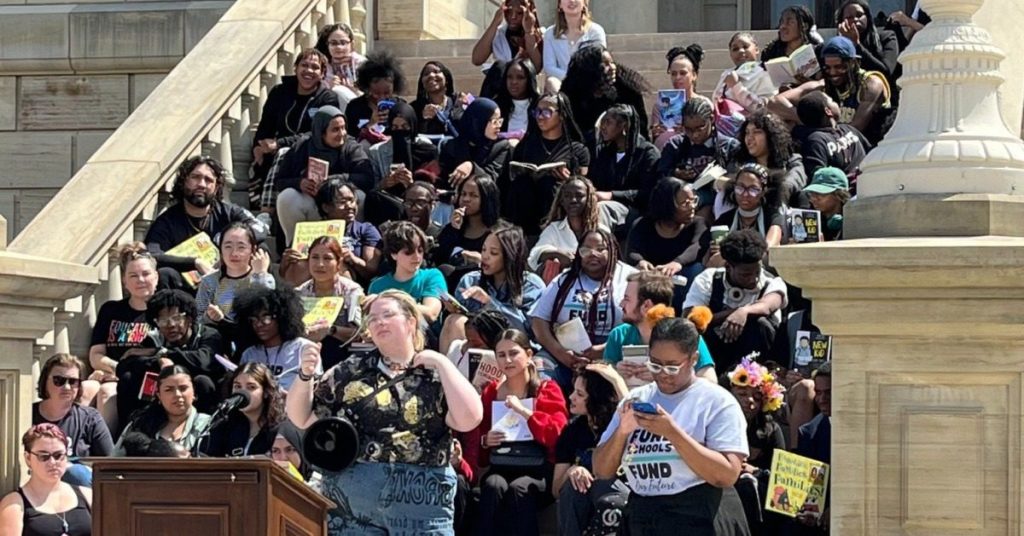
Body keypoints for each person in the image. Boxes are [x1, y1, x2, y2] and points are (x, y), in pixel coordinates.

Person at [287, 290, 484, 534]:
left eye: (387, 315)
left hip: (421, 505)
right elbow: (302, 418)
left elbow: (469, 419)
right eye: (372, 318)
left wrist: (443, 363)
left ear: (411, 321)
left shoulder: (436, 371)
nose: (379, 322)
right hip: (355, 504)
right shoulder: (349, 371)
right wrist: (305, 374)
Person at [593, 317, 750, 535]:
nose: (663, 374)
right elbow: (601, 470)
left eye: (673, 367)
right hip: (645, 513)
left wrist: (673, 433)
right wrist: (622, 433)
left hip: (699, 513)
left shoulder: (716, 401)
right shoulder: (638, 398)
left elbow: (726, 474)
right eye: (655, 364)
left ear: (693, 359)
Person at [463, 329, 569, 536]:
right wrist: (486, 440)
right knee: (493, 486)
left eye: (514, 353)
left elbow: (558, 436)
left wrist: (525, 413)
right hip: (502, 464)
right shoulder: (492, 392)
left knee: (520, 488)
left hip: (538, 468)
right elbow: (480, 448)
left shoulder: (547, 389)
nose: (507, 360)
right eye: (501, 355)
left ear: (529, 355)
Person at [529, 228, 636, 391]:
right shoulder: (564, 279)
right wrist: (561, 354)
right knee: (537, 371)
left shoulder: (630, 278)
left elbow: (642, 322)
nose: (592, 254)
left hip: (613, 353)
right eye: (586, 249)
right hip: (565, 352)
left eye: (600, 249)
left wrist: (605, 350)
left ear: (613, 249)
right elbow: (538, 320)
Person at [144, 155, 267, 290]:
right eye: (195, 177)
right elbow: (152, 254)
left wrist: (227, 247)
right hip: (188, 289)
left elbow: (260, 229)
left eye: (208, 180)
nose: (201, 184)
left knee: (261, 249)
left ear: (216, 187)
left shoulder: (229, 212)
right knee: (165, 274)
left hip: (230, 280)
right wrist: (195, 262)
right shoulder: (167, 221)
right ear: (184, 181)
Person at [683, 229, 788, 373]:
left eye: (757, 272)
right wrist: (730, 317)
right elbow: (690, 320)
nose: (754, 279)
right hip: (717, 357)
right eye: (745, 275)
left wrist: (743, 312)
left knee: (760, 323)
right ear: (728, 267)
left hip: (759, 362)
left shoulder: (773, 283)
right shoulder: (708, 280)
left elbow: (767, 306)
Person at [273, 106, 374, 245]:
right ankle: (294, 246)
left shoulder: (351, 147)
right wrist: (300, 183)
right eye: (335, 130)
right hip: (312, 204)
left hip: (339, 206)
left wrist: (335, 180)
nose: (341, 133)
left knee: (360, 196)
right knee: (287, 196)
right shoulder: (302, 146)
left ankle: (352, 243)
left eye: (343, 128)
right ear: (321, 132)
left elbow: (367, 178)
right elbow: (280, 182)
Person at [252, 48, 341, 205]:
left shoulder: (327, 98)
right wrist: (258, 146)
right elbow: (265, 125)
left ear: (322, 74)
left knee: (283, 153)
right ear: (296, 68)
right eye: (304, 65)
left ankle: (266, 210)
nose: (308, 70)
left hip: (311, 149)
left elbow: (316, 132)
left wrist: (279, 143)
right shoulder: (280, 92)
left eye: (315, 67)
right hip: (276, 148)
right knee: (259, 161)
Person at [770, 36, 892, 146]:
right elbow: (773, 102)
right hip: (833, 146)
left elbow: (855, 129)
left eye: (840, 67)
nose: (833, 73)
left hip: (869, 147)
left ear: (854, 63)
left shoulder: (871, 84)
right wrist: (803, 118)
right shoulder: (823, 85)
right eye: (827, 68)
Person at [440, 224, 545, 351]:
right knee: (454, 320)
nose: (485, 256)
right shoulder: (470, 280)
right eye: (483, 250)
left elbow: (528, 332)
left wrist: (490, 303)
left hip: (512, 348)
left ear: (510, 256)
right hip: (475, 344)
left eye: (493, 253)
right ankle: (448, 369)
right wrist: (454, 309)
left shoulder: (532, 285)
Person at [89, 244, 159, 434]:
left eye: (146, 274)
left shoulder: (163, 312)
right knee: (87, 388)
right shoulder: (111, 310)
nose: (141, 280)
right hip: (112, 374)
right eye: (133, 276)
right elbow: (96, 354)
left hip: (146, 379)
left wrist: (123, 372)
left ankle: (108, 453)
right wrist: (116, 369)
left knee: (107, 393)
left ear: (156, 276)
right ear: (124, 281)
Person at [554, 364, 630, 536]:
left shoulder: (618, 424)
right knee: (573, 489)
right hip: (580, 499)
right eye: (573, 391)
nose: (571, 397)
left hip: (615, 494)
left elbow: (632, 411)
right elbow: (555, 489)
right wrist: (572, 470)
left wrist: (617, 381)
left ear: (597, 398)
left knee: (605, 490)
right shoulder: (571, 431)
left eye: (580, 394)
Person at [604, 272, 716, 383]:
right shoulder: (619, 335)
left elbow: (710, 382)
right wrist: (615, 371)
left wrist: (663, 376)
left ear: (646, 305)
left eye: (627, 299)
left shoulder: (686, 335)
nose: (621, 304)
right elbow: (601, 380)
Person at [506, 93, 590, 235]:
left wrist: (568, 180)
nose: (540, 116)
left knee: (550, 184)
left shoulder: (577, 150)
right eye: (537, 111)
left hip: (556, 208)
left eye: (547, 112)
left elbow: (587, 185)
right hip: (525, 207)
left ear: (562, 115)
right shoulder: (526, 145)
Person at [726, 358, 787, 535]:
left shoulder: (771, 430)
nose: (750, 401)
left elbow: (782, 477)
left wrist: (756, 472)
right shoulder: (716, 427)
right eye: (742, 394)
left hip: (762, 498)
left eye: (757, 396)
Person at [33, 354, 113, 487]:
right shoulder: (26, 415)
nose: (67, 387)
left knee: (77, 473)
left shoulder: (90, 418)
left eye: (73, 381)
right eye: (59, 380)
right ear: (45, 381)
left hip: (78, 492)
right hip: (36, 486)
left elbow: (109, 463)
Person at [0, 424, 92, 536]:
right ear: (28, 458)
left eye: (58, 455)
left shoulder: (87, 495)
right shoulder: (14, 504)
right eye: (43, 456)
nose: (52, 462)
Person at [657, 95, 741, 217]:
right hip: (681, 202)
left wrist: (717, 181)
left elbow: (737, 182)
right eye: (688, 130)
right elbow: (660, 178)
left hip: (719, 203)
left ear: (711, 119)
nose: (695, 135)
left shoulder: (729, 146)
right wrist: (675, 174)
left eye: (699, 128)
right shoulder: (675, 145)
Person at [145, 289, 226, 414]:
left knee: (202, 381)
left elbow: (205, 361)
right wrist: (158, 360)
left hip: (202, 397)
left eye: (176, 318)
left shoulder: (208, 335)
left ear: (189, 319)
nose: (170, 325)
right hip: (165, 395)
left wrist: (165, 354)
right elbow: (128, 363)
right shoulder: (154, 338)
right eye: (163, 320)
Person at [364, 101, 440, 227]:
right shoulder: (377, 151)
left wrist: (412, 185)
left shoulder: (426, 148)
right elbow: (372, 187)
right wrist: (385, 183)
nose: (399, 132)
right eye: (395, 127)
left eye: (405, 127)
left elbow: (432, 185)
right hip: (390, 200)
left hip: (419, 201)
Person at [294, 236, 365, 370]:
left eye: (327, 258)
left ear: (339, 263)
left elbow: (358, 334)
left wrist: (330, 330)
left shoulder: (352, 291)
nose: (320, 264)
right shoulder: (299, 293)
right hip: (305, 353)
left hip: (342, 356)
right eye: (315, 257)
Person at [561, 45, 650, 147]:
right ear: (590, 70)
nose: (612, 68)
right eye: (605, 64)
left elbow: (641, 129)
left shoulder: (627, 91)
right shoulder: (572, 96)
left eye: (612, 63)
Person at [235, 287, 321, 391]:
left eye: (266, 318)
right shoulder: (249, 354)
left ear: (282, 317)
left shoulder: (303, 348)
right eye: (253, 319)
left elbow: (315, 387)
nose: (258, 324)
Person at [625, 178, 709, 285]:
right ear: (667, 205)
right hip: (650, 277)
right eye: (685, 203)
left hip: (679, 278)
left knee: (695, 269)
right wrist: (640, 262)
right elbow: (632, 250)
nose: (692, 207)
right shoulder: (642, 224)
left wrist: (677, 263)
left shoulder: (698, 223)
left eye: (693, 201)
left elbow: (697, 247)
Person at [195, 222, 275, 331]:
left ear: (253, 250)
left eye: (241, 247)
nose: (234, 253)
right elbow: (197, 320)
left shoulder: (262, 278)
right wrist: (211, 317)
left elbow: (268, 310)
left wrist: (261, 274)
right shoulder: (210, 281)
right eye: (228, 246)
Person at [115, 365, 212, 453]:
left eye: (183, 388)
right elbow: (115, 461)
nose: (177, 395)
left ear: (194, 393)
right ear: (159, 396)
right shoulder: (140, 424)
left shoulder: (210, 426)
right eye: (169, 390)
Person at [368, 221, 447, 325]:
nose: (417, 257)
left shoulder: (432, 276)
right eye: (408, 252)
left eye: (420, 250)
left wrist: (388, 301)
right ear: (393, 254)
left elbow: (431, 314)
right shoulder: (377, 286)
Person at [432, 174, 503, 288]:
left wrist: (481, 260)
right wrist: (454, 230)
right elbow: (438, 258)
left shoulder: (500, 232)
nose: (466, 199)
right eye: (463, 194)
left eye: (473, 195)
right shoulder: (452, 228)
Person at [589, 103, 661, 214]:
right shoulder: (606, 153)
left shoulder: (646, 153)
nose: (603, 127)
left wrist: (612, 195)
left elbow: (648, 192)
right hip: (604, 206)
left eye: (608, 122)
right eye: (603, 122)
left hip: (634, 210)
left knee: (601, 209)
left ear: (624, 126)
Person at [201, 362, 285, 457]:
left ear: (265, 392)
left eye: (251, 387)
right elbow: (205, 456)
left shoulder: (281, 427)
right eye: (237, 386)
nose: (242, 392)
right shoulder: (224, 422)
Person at [527, 177, 607, 273]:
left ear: (589, 199)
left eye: (579, 195)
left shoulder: (601, 230)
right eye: (567, 196)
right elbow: (534, 256)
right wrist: (557, 254)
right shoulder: (554, 229)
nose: (573, 200)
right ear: (562, 201)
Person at [732, 111, 807, 209]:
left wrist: (778, 189)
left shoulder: (791, 160)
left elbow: (796, 177)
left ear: (771, 135)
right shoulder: (740, 163)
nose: (749, 138)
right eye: (747, 133)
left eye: (757, 132)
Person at [711, 163, 786, 258]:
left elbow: (770, 247)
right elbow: (708, 261)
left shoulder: (772, 216)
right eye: (740, 188)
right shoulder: (724, 220)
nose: (745, 194)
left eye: (753, 189)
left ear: (763, 191)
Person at [794, 91, 869, 184]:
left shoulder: (848, 129)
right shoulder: (816, 141)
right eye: (832, 101)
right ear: (828, 111)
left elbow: (871, 152)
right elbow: (820, 178)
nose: (836, 103)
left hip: (869, 179)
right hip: (848, 192)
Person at [438, 98, 513, 191]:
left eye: (500, 121)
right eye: (494, 121)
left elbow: (491, 180)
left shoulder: (501, 146)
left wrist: (472, 167)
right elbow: (444, 181)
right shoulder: (452, 146)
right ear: (478, 122)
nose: (498, 126)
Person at [792, 362, 831, 534]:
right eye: (819, 393)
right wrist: (809, 511)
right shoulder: (809, 433)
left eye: (829, 393)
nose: (822, 399)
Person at [343, 49, 406, 143]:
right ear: (367, 87)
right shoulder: (354, 107)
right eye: (376, 93)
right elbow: (350, 140)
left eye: (387, 93)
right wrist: (371, 123)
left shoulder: (401, 106)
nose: (382, 97)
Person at [542, 0, 606, 93]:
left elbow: (600, 63)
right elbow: (549, 67)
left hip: (589, 83)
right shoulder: (550, 34)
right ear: (560, 4)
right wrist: (571, 78)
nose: (572, 1)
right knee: (551, 82)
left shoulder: (596, 32)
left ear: (584, 3)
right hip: (563, 83)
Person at [651, 44, 705, 149]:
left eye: (683, 73)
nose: (678, 77)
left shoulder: (703, 103)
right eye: (673, 74)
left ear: (694, 75)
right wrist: (656, 131)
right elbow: (655, 138)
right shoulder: (660, 105)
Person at [835, 0, 899, 85]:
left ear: (868, 18)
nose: (855, 19)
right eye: (849, 17)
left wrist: (856, 45)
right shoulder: (835, 47)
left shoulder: (887, 37)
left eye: (859, 15)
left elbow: (886, 72)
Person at [471, 0, 544, 72]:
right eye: (509, 12)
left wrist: (528, 31)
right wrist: (495, 23)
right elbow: (477, 60)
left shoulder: (541, 34)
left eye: (519, 13)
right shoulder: (498, 33)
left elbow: (537, 67)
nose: (513, 17)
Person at [445, 309, 511, 381]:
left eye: (476, 344)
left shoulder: (502, 362)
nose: (469, 347)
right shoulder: (456, 346)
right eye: (468, 340)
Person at [315, 23, 367, 110]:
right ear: (327, 45)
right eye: (333, 43)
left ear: (352, 44)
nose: (339, 47)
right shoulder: (322, 66)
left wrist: (354, 90)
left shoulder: (362, 65)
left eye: (343, 43)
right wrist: (329, 88)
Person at [411, 61, 464, 136]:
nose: (431, 75)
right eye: (426, 74)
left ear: (446, 79)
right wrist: (423, 120)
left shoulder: (457, 101)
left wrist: (464, 107)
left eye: (436, 72)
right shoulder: (414, 109)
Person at [494, 58, 542, 137]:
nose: (514, 82)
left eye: (520, 77)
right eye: (509, 77)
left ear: (529, 80)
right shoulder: (496, 105)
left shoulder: (539, 105)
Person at [803, 167, 851, 241]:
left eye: (820, 194)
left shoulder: (853, 221)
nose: (813, 199)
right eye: (811, 194)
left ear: (839, 195)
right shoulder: (809, 222)